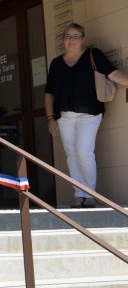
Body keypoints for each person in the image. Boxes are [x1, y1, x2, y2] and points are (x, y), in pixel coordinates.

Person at [45, 22, 128, 208]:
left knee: (84, 151)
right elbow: (49, 92)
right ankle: (78, 194)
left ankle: (90, 194)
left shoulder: (93, 55)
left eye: (75, 36)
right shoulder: (57, 63)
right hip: (64, 116)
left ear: (83, 40)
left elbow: (112, 74)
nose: (71, 40)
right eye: (67, 36)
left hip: (89, 114)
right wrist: (50, 118)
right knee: (71, 155)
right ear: (63, 40)